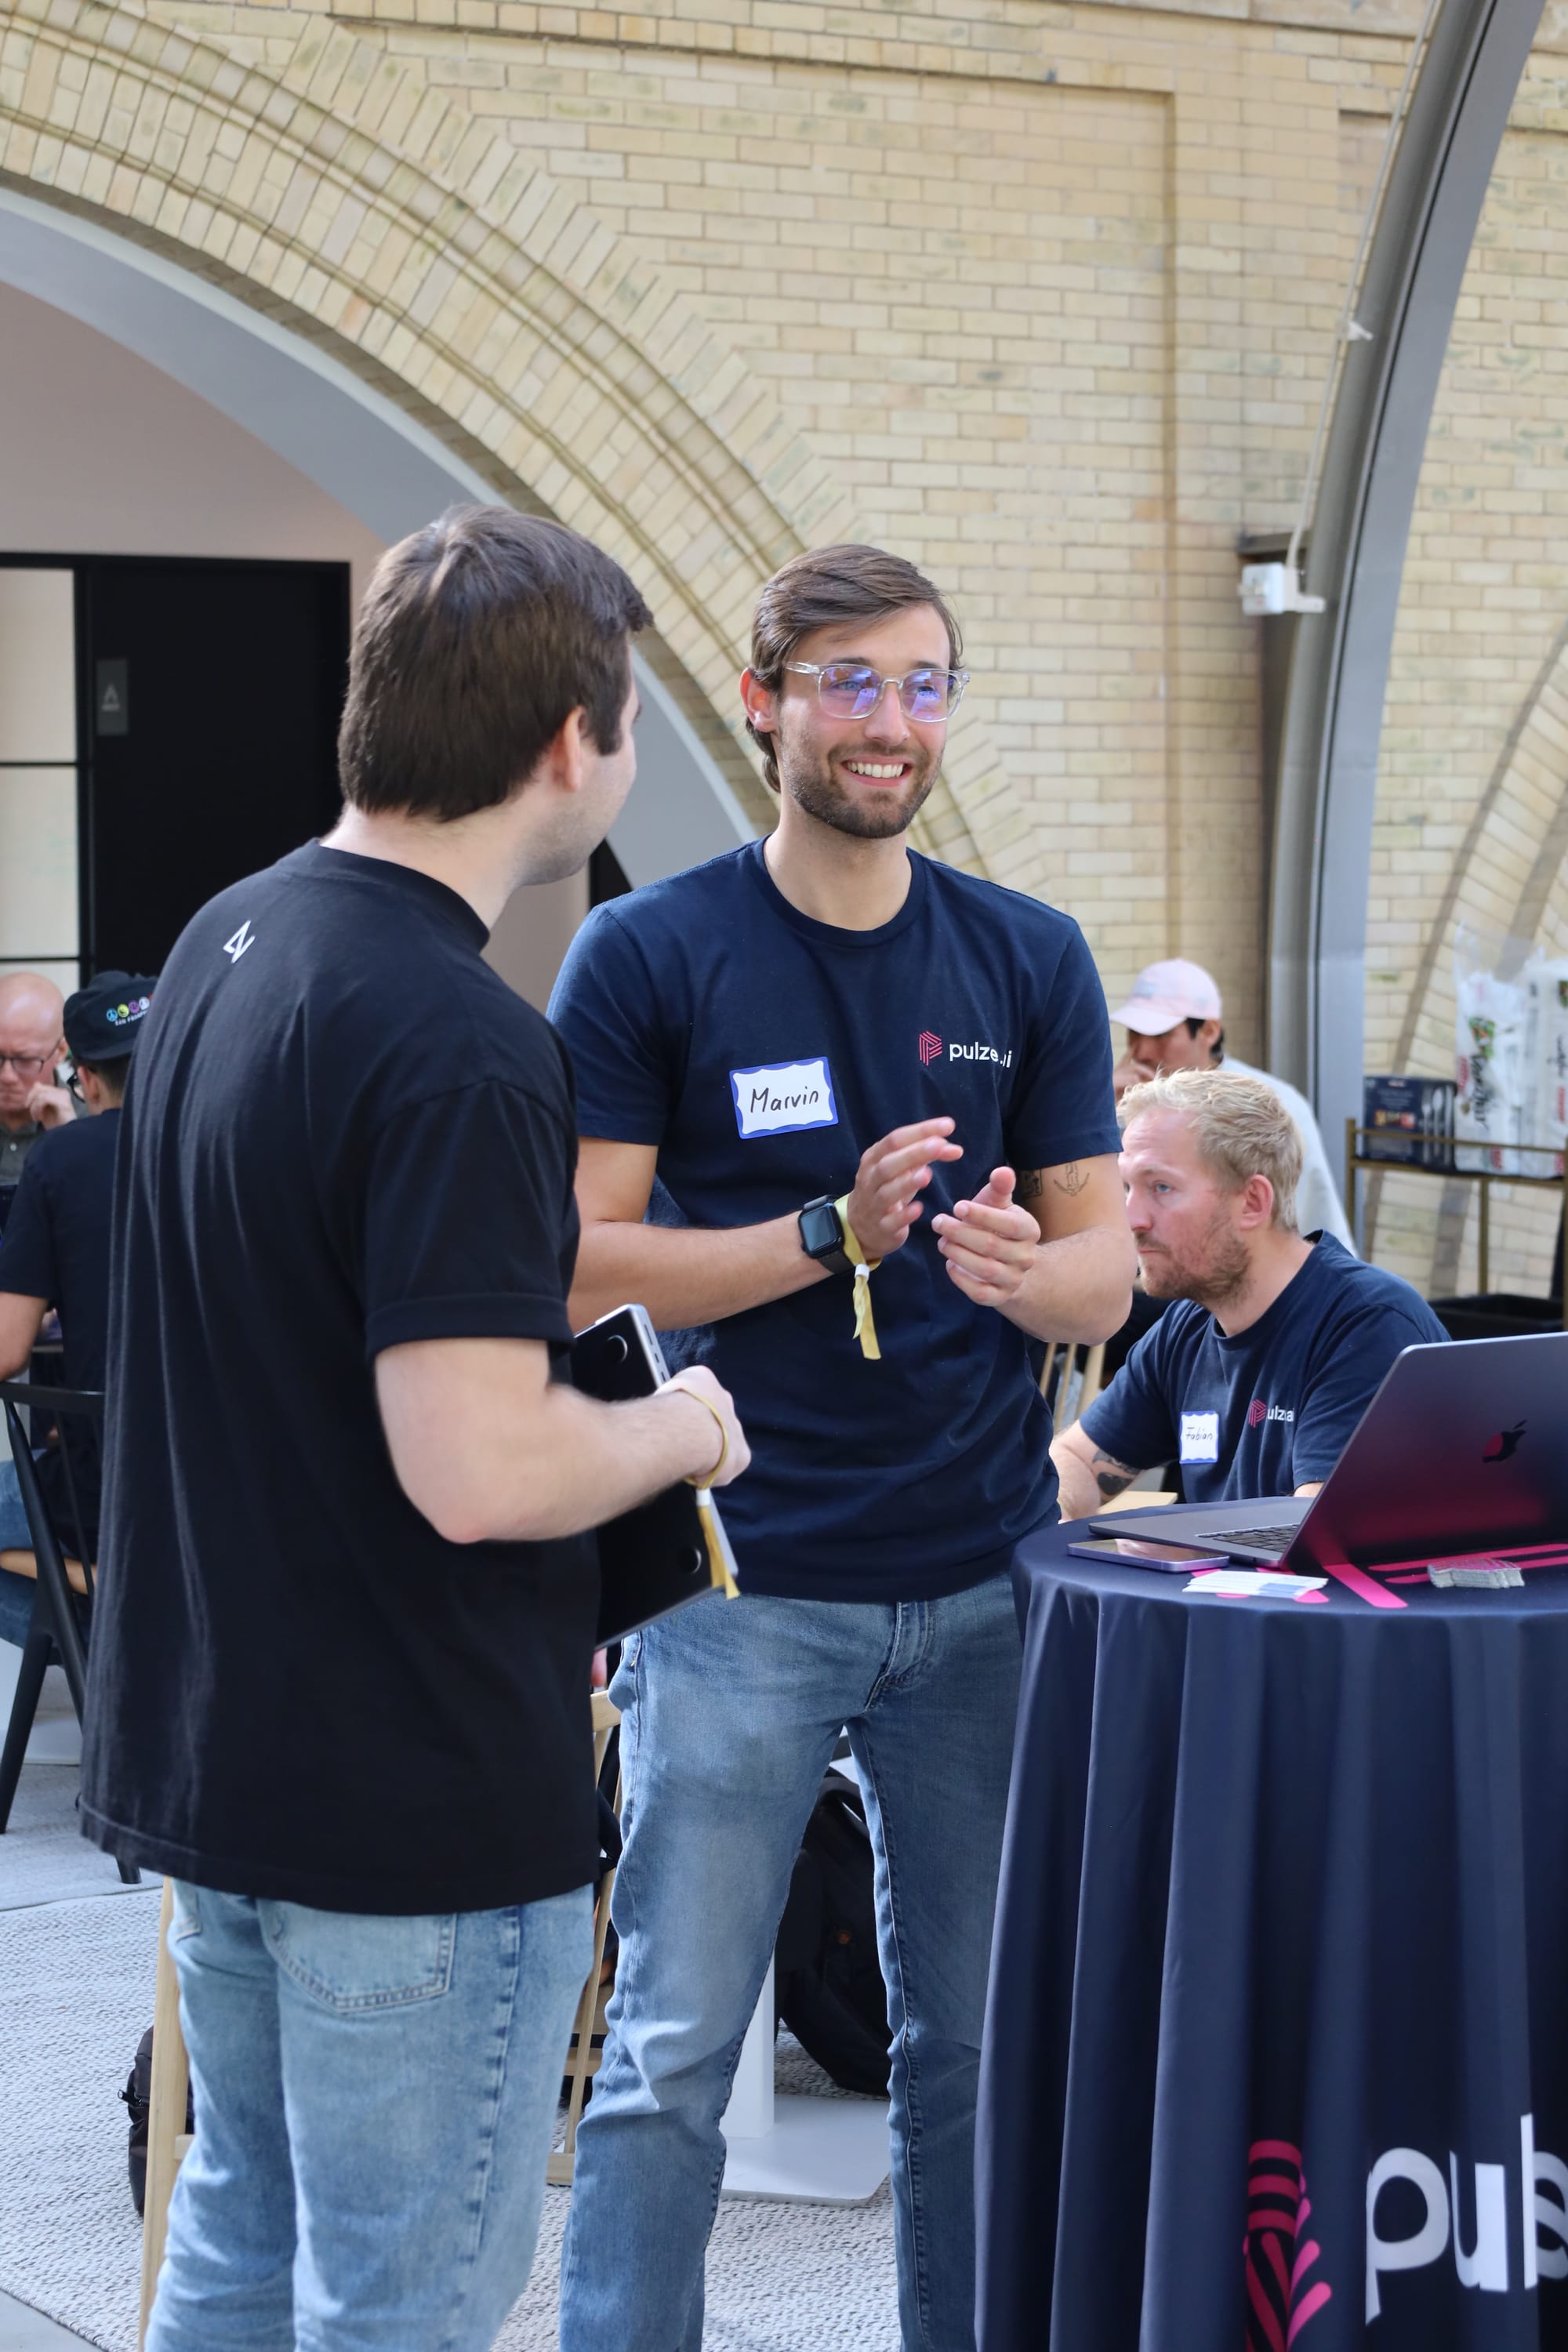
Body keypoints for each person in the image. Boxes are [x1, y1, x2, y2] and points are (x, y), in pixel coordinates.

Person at [78, 506, 750, 2352]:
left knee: (234, 2238)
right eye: (632, 722)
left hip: (225, 1754)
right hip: (407, 1792)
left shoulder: (226, 942)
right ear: (570, 742)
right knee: (397, 2304)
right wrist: (679, 1433)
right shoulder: (457, 1036)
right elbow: (479, 1465)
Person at [549, 542, 1134, 2352]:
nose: (890, 721)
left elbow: (1105, 1268)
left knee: (971, 2046)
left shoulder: (1025, 954)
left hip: (979, 1591)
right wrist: (823, 1236)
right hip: (740, 1589)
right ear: (764, 702)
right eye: (850, 682)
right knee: (671, 2051)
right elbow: (573, 1256)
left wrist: (1028, 1271)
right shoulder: (650, 949)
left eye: (921, 684)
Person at [1051, 1067, 1446, 1519]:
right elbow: (1078, 1461)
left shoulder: (1368, 1324)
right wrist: (1054, 1509)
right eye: (1127, 1188)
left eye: (1161, 1187)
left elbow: (1318, 1528)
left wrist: (1180, 1542)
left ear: (1253, 1202)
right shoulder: (1188, 1325)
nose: (1132, 1218)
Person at [0, 972, 154, 1640]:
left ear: (82, 1076)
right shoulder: (243, 1142)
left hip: (108, 1485)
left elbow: (6, 1352)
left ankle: (122, 1595)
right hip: (239, 1480)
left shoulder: (63, 1159)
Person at [1107, 956, 1355, 1249]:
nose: (1142, 1051)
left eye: (1160, 1034)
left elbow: (1315, 1216)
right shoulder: (1122, 1101)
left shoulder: (1270, 1104)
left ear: (1209, 1031)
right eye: (1134, 1033)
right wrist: (1101, 1109)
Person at [0, 971, 73, 1187]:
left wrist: (71, 1141)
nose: (7, 1076)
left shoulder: (88, 1121)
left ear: (60, 1051)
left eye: (25, 1060)